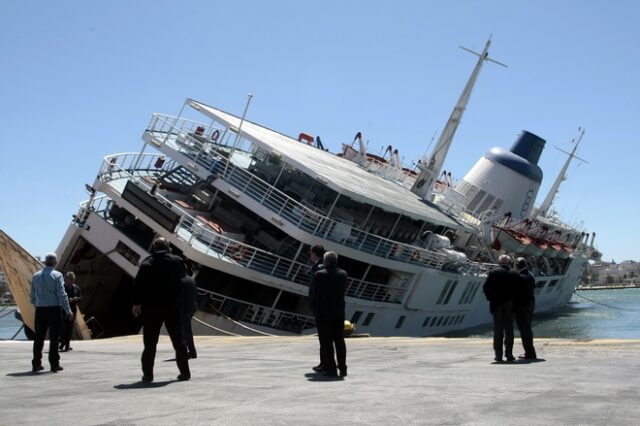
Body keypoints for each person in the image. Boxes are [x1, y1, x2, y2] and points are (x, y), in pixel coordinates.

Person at [132, 238, 190, 382]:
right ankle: (185, 372)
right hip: (173, 307)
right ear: (168, 247)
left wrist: (137, 303)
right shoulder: (177, 261)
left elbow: (139, 284)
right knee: (179, 341)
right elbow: (184, 279)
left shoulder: (148, 262)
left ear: (154, 247)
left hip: (153, 308)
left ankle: (148, 375)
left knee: (150, 343)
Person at [30, 253, 73, 373]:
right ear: (55, 262)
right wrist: (68, 311)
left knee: (38, 338)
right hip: (54, 309)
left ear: (45, 262)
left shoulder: (36, 276)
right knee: (54, 338)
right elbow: (62, 294)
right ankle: (54, 364)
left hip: (40, 310)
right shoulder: (57, 275)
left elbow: (32, 295)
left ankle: (36, 364)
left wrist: (37, 304)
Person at [310, 251, 347, 377]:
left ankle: (331, 368)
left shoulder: (319, 274)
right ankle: (343, 367)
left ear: (326, 261)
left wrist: (314, 309)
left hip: (324, 312)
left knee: (326, 342)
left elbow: (314, 294)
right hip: (338, 312)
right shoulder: (343, 274)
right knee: (339, 341)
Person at [482, 254, 518, 362]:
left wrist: (490, 297)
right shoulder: (514, 273)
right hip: (510, 304)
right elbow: (519, 289)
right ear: (508, 262)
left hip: (496, 304)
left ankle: (498, 356)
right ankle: (509, 354)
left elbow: (485, 287)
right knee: (509, 330)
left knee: (498, 330)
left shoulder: (494, 272)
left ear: (499, 262)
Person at [307, 244, 326, 372]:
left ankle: (325, 364)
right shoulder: (322, 265)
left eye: (311, 253)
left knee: (324, 337)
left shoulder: (320, 267)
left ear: (315, 254)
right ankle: (324, 363)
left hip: (321, 305)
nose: (310, 255)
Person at [514, 257, 537, 359]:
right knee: (527, 328)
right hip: (530, 304)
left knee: (524, 329)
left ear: (517, 265)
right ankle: (530, 351)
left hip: (522, 306)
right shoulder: (531, 275)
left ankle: (529, 352)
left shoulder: (520, 276)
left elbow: (517, 293)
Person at [59, 271, 82, 352]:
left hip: (73, 310)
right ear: (66, 279)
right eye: (70, 279)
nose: (71, 281)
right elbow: (59, 297)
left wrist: (76, 298)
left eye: (72, 279)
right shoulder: (62, 287)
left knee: (69, 327)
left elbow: (80, 297)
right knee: (62, 327)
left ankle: (67, 345)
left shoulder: (76, 288)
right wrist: (67, 300)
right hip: (64, 310)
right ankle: (62, 343)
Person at [181, 260, 198, 359]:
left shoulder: (180, 280)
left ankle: (192, 351)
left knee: (186, 331)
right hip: (191, 308)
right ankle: (187, 350)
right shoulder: (191, 280)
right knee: (185, 331)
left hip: (183, 309)